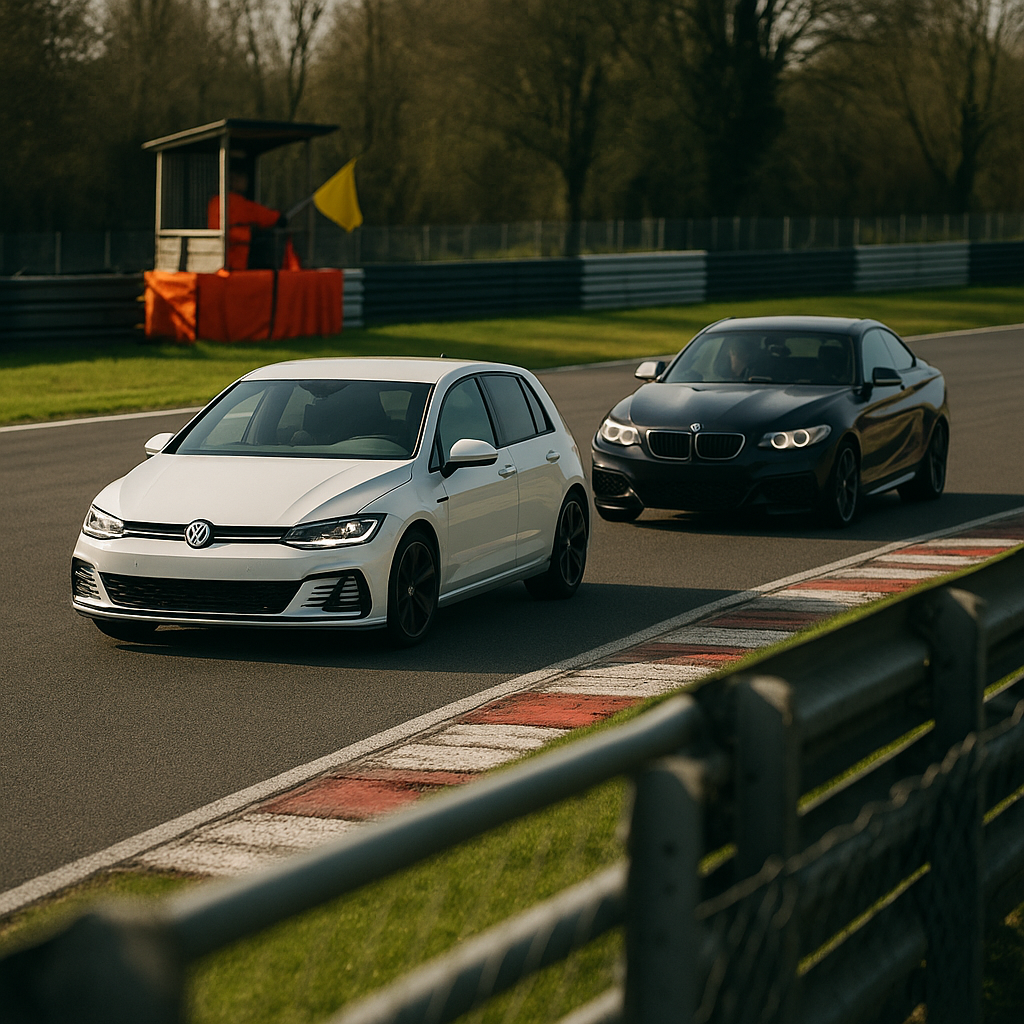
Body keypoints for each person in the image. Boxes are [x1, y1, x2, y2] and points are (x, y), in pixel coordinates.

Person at [207, 170, 284, 271]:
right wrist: (279, 217)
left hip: (216, 261)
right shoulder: (238, 203)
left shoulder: (214, 202)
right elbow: (267, 217)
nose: (245, 181)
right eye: (241, 177)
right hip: (237, 263)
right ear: (232, 181)